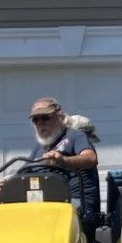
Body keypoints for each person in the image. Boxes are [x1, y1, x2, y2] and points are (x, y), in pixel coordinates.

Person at [28, 98, 100, 229]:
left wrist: (63, 160)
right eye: (35, 120)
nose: (40, 123)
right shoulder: (38, 148)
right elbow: (23, 173)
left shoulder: (75, 137)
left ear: (60, 116)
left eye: (45, 117)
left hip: (75, 202)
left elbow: (91, 158)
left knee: (49, 221)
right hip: (44, 204)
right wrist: (4, 183)